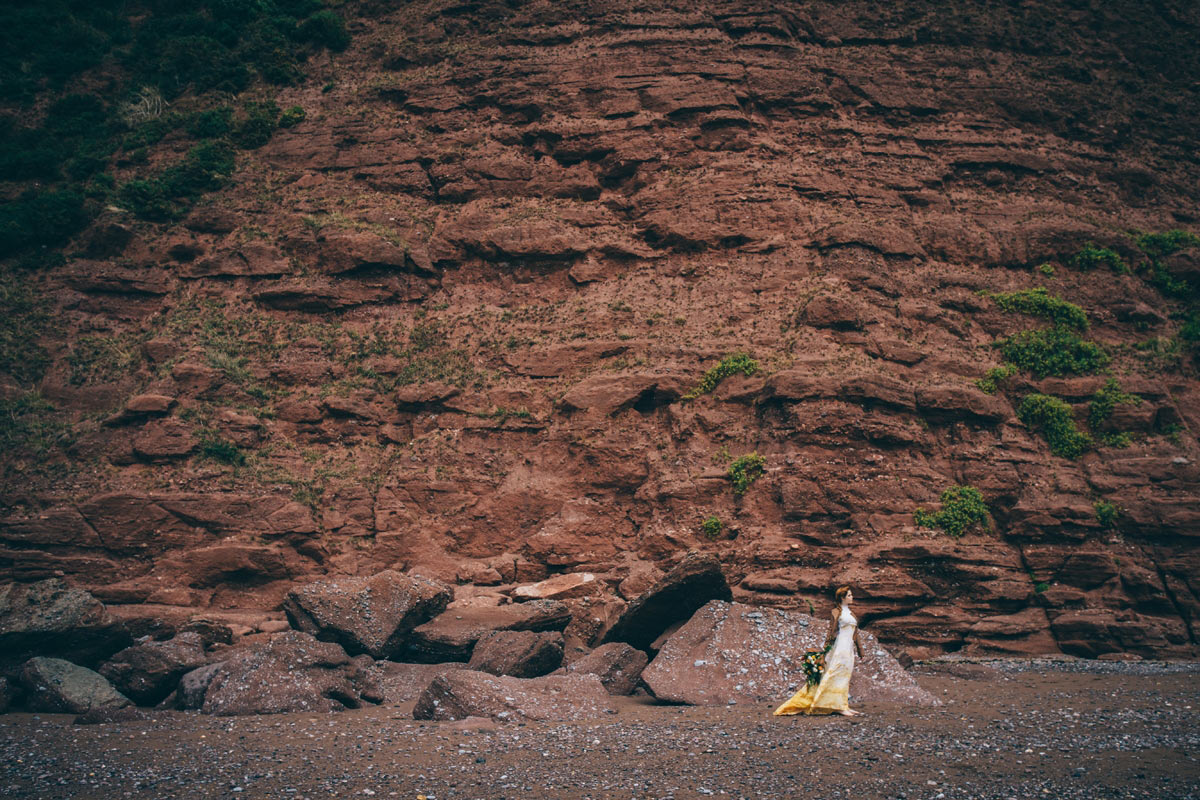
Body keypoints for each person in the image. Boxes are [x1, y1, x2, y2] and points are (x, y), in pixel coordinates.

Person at [773, 585, 864, 717]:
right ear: (842, 598)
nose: (852, 597)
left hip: (848, 648)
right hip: (839, 647)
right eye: (849, 595)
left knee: (845, 674)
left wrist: (860, 649)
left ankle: (843, 705)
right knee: (835, 674)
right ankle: (836, 706)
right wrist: (826, 650)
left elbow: (855, 632)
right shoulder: (836, 612)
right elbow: (831, 632)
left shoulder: (851, 614)